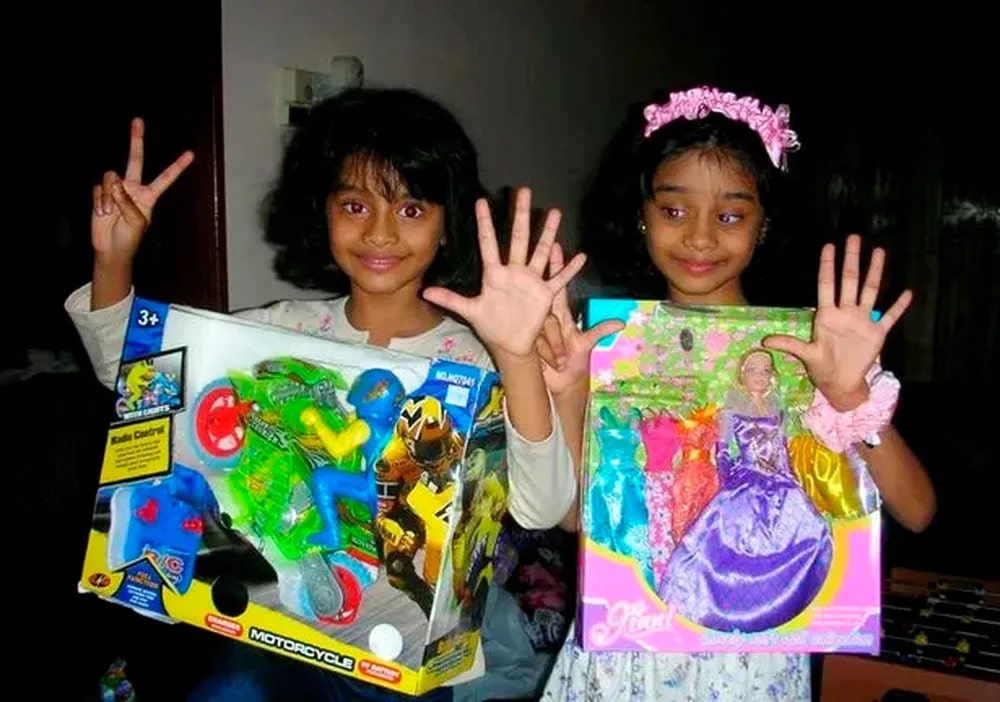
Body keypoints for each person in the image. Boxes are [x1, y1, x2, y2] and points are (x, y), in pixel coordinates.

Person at [67, 87, 580, 701]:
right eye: (355, 205)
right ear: (323, 211)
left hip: (403, 660)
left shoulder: (476, 360)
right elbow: (135, 377)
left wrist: (516, 357)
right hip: (274, 637)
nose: (381, 233)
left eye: (411, 209)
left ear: (448, 225)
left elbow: (542, 507)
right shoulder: (279, 331)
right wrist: (115, 260)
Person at [531, 85, 937, 700]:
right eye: (674, 211)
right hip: (625, 656)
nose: (699, 239)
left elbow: (917, 510)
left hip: (756, 661)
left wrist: (850, 398)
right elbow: (572, 517)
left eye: (729, 216)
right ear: (641, 213)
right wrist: (568, 388)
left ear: (764, 223)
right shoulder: (608, 344)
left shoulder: (817, 349)